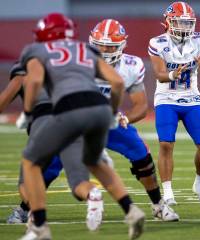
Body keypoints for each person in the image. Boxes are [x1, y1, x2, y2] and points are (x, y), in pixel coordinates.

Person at [18, 13, 144, 240]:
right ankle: (131, 211)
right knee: (95, 162)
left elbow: (34, 81)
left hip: (69, 109)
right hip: (100, 109)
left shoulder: (37, 51)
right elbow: (117, 81)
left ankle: (39, 227)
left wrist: (27, 113)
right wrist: (113, 112)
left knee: (31, 161)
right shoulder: (86, 51)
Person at [89, 18, 179, 221]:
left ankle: (158, 205)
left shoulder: (131, 65)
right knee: (52, 160)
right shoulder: (79, 62)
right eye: (99, 45)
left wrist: (124, 118)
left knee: (142, 156)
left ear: (121, 47)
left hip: (110, 120)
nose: (103, 50)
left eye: (109, 47)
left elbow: (141, 106)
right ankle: (28, 209)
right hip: (79, 121)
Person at [2, 63, 106, 232]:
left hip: (45, 122)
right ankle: (91, 194)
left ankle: (33, 214)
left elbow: (4, 101)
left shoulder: (24, 68)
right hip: (76, 122)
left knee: (26, 178)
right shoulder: (70, 66)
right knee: (79, 181)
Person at [148, 1, 200, 205]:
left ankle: (199, 183)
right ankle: (168, 192)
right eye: (179, 22)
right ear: (168, 22)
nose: (184, 27)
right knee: (166, 144)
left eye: (188, 23)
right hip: (166, 98)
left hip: (191, 97)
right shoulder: (157, 43)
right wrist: (172, 74)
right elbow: (159, 75)